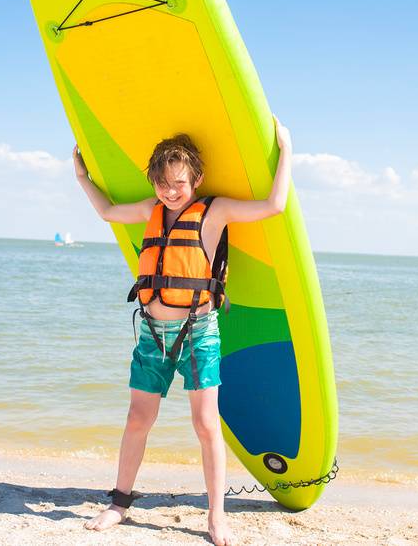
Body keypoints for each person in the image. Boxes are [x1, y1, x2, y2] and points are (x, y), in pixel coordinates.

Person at [73, 117, 293, 546]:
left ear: (197, 179)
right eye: (161, 183)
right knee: (139, 417)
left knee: (206, 423)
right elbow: (105, 211)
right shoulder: (149, 210)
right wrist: (82, 176)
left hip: (199, 331)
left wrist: (286, 151)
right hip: (153, 332)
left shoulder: (216, 211)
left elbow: (274, 205)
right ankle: (118, 503)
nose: (169, 191)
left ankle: (216, 517)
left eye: (178, 182)